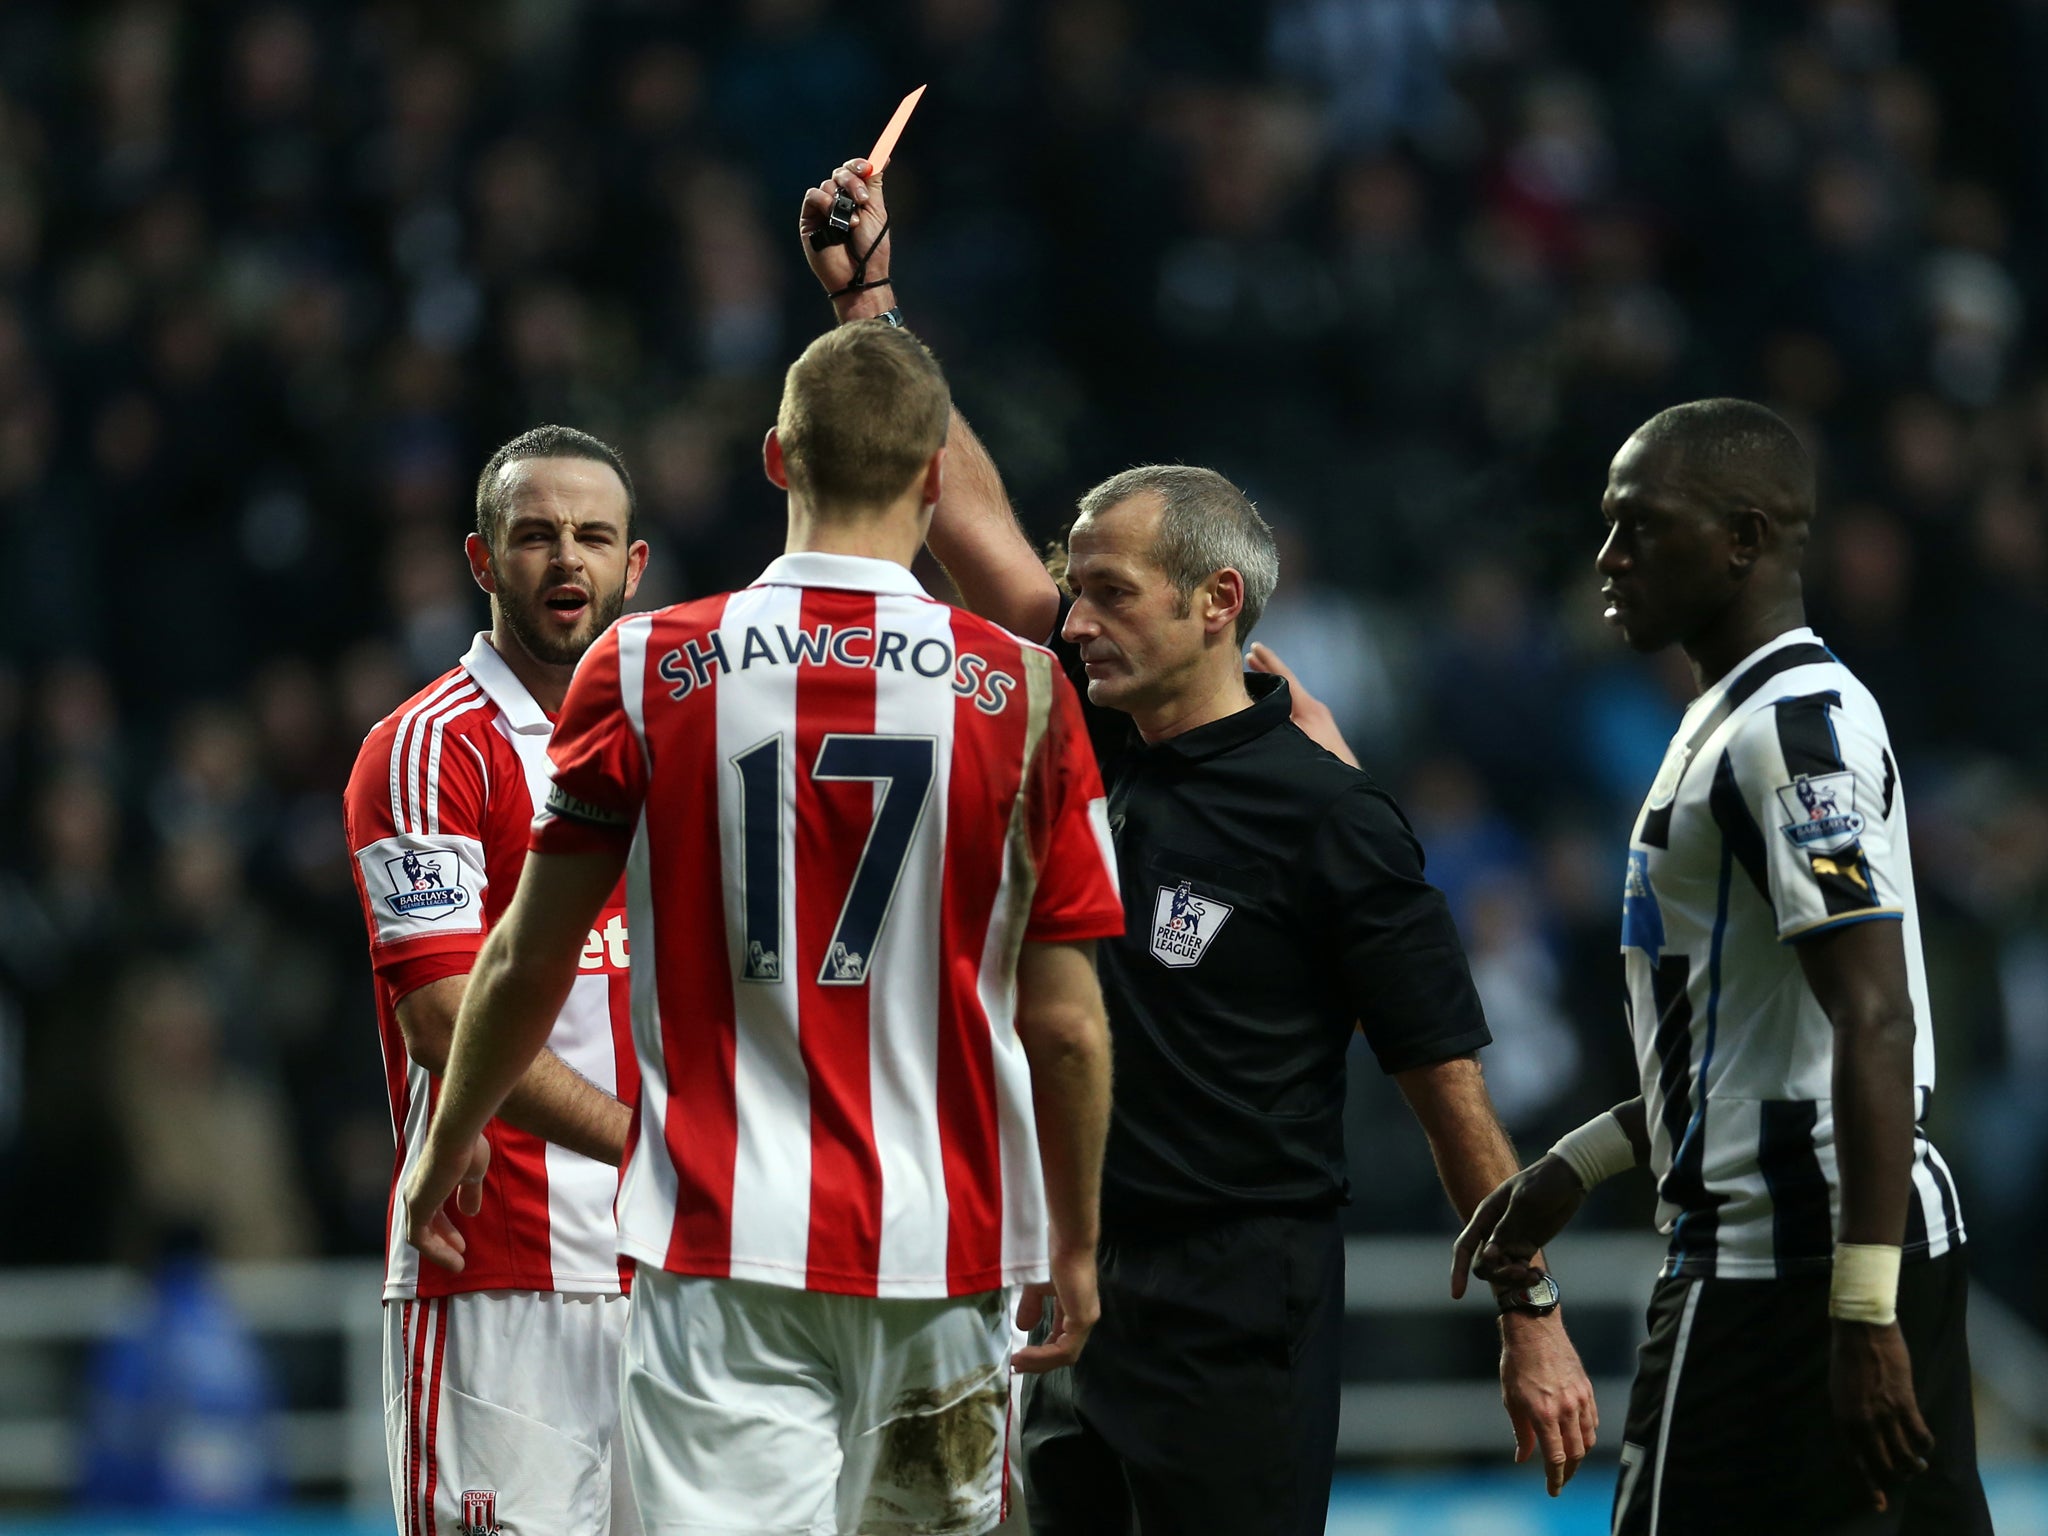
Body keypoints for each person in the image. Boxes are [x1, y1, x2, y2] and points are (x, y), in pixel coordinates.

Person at [798, 157, 1597, 1536]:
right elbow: (955, 505)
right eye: (1077, 590)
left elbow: (1445, 1089)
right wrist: (872, 304)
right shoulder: (1079, 719)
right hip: (1071, 1286)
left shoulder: (1329, 815)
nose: (1077, 618)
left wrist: (1532, 1315)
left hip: (1242, 1309)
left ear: (1218, 601)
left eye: (1109, 593)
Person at [402, 320, 1127, 1536]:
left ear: (776, 460)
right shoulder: (1028, 692)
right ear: (933, 478)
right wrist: (1078, 1242)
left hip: (720, 1248)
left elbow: (527, 956)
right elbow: (1064, 1025)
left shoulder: (643, 667)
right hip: (940, 1250)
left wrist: (446, 1140)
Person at [1453, 399, 1992, 1535]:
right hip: (1827, 1247)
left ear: (1742, 539)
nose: (1606, 556)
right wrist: (1578, 1162)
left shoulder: (1792, 735)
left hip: (1787, 1265)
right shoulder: (1736, 718)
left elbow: (1874, 1023)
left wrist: (1861, 1311)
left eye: (1639, 526)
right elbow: (1755, 1051)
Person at [342, 426, 648, 1536]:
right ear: (481, 561)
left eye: (591, 536)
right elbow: (441, 1017)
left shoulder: (679, 738)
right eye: (533, 536)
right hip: (497, 1268)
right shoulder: (428, 747)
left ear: (634, 564)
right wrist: (660, 1142)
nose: (565, 559)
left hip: (675, 1273)